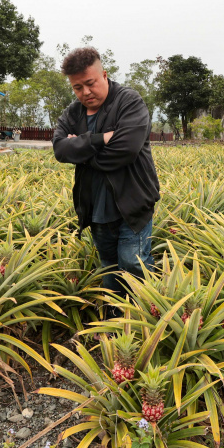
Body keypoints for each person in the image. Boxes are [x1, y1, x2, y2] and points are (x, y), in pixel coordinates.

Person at [51, 47, 160, 314]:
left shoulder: (129, 102)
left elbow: (126, 149)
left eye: (90, 83)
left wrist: (83, 152)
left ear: (104, 75)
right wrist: (101, 139)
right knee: (109, 266)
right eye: (77, 87)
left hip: (133, 203)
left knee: (133, 263)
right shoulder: (73, 113)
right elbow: (59, 149)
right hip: (96, 206)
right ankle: (115, 314)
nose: (85, 92)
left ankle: (145, 313)